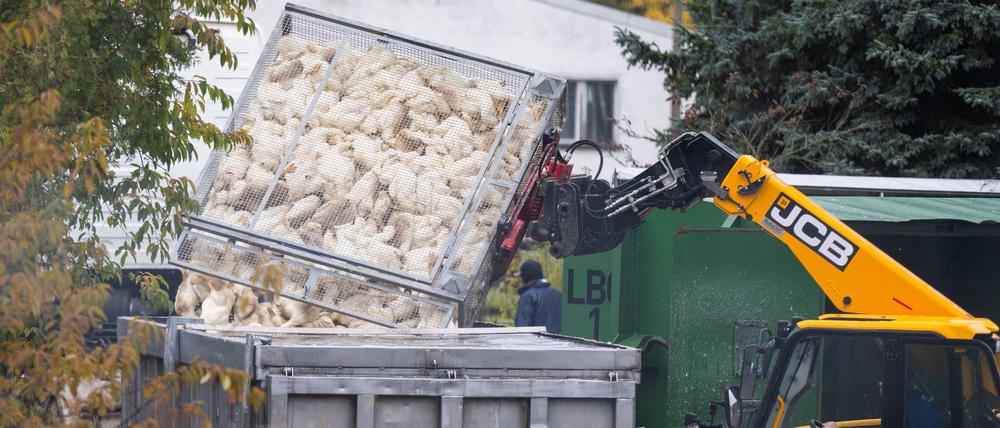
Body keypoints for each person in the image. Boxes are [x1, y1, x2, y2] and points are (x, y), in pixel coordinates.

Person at [514, 260, 561, 334]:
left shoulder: (527, 297)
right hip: (560, 344)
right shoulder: (559, 295)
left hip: (537, 344)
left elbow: (522, 329)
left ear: (524, 277)